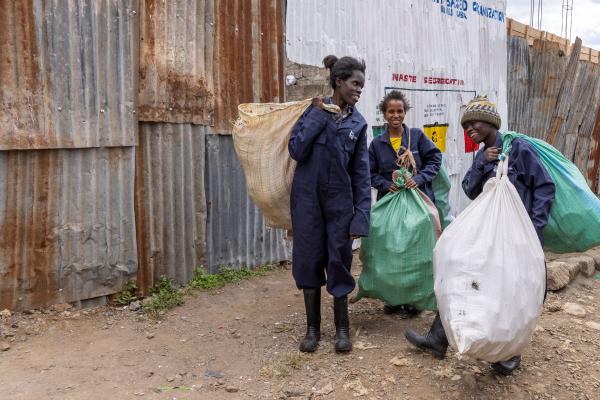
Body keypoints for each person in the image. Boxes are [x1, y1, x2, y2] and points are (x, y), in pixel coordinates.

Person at [404, 95, 555, 375]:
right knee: (462, 271)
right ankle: (439, 338)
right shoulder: (481, 156)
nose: (469, 128)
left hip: (519, 236)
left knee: (513, 291)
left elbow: (545, 187)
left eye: (473, 122)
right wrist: (481, 163)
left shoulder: (519, 148)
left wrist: (532, 229)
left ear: (490, 122)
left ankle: (508, 353)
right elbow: (471, 191)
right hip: (490, 235)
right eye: (465, 125)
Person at [288, 55, 371, 353]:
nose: (359, 89)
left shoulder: (358, 124)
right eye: (355, 83)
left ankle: (342, 330)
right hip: (307, 200)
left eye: (362, 85)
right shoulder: (314, 111)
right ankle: (312, 330)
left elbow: (361, 174)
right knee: (308, 259)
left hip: (340, 204)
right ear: (339, 81)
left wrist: (361, 217)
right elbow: (296, 149)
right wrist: (319, 115)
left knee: (339, 261)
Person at [368, 90, 442, 315]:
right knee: (391, 249)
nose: (395, 115)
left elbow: (435, 159)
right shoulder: (377, 144)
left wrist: (418, 179)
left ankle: (414, 299)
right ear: (384, 114)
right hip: (390, 205)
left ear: (405, 112)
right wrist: (383, 184)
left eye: (400, 111)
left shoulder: (417, 137)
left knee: (415, 249)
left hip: (417, 202)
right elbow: (369, 173)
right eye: (391, 111)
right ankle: (392, 297)